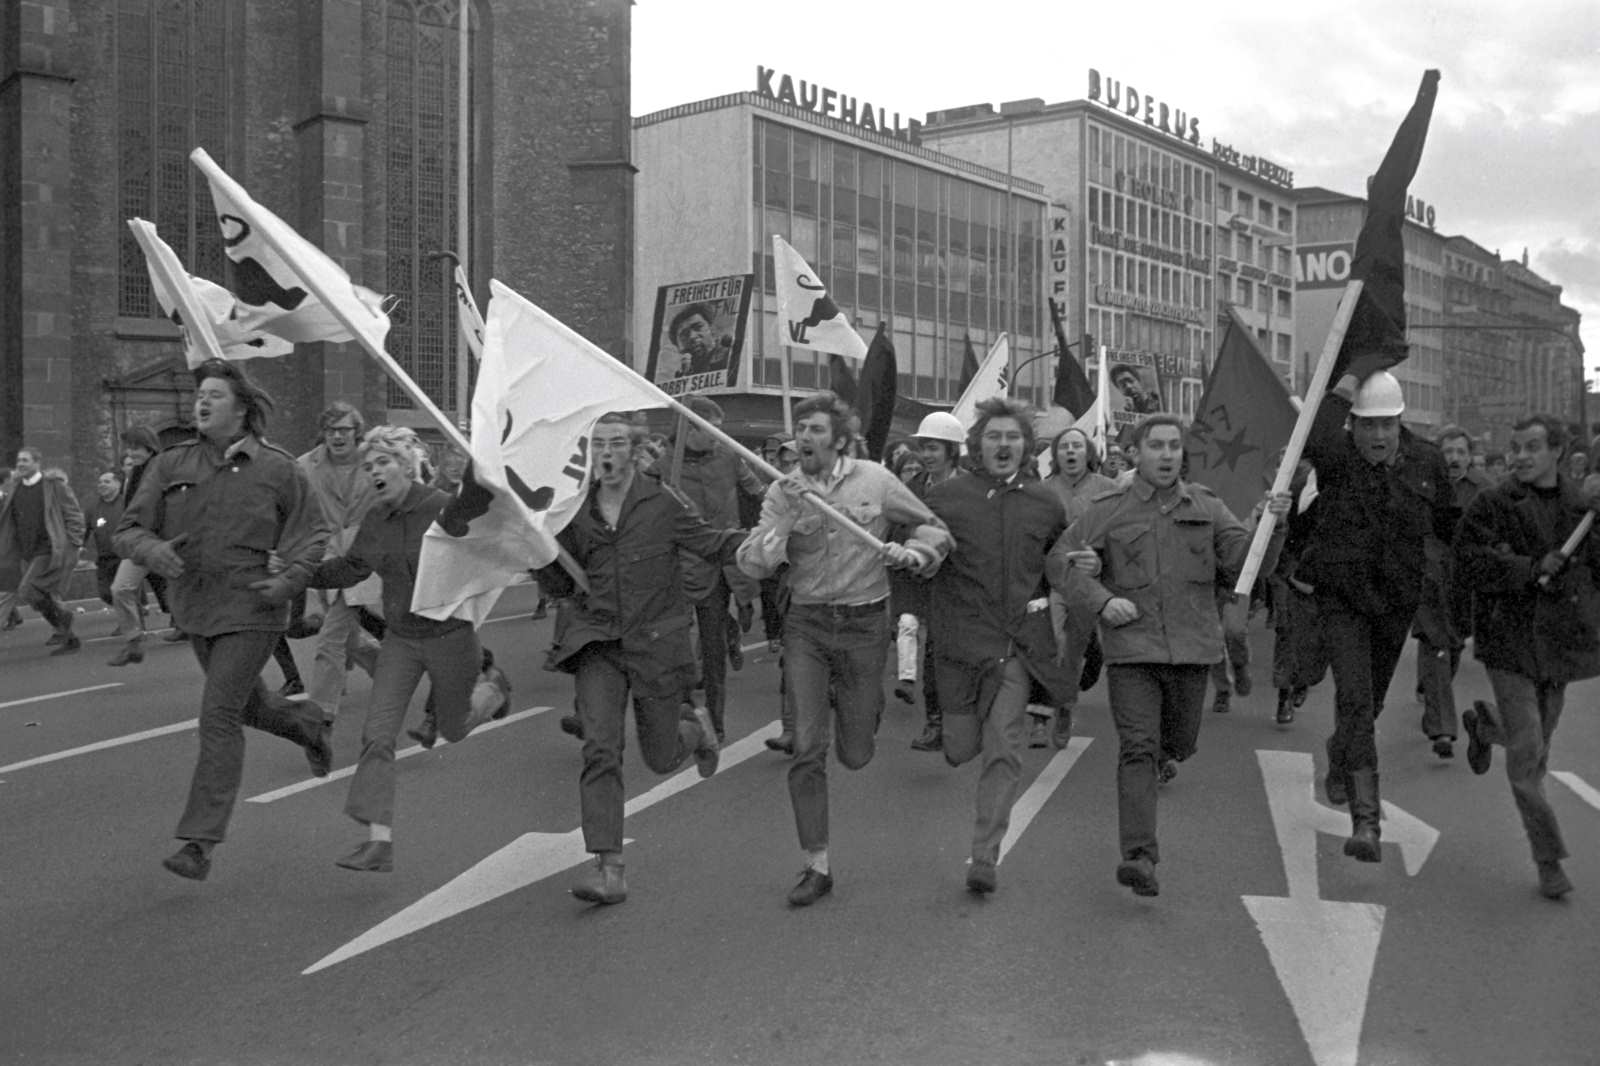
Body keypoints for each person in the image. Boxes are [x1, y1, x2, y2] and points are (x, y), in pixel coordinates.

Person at [1050, 415, 1288, 898]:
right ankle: (1139, 856)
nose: (1165, 454)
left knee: (1177, 742)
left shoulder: (1207, 506)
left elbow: (1245, 563)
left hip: (1192, 649)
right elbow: (1061, 562)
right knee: (1137, 747)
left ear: (1183, 453)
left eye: (1174, 446)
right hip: (1132, 648)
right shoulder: (1108, 509)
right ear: (1136, 454)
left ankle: (1170, 754)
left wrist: (1271, 524)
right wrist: (1100, 600)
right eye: (1155, 446)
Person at [115, 360, 332, 881]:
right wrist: (153, 551)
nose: (202, 402)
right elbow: (128, 529)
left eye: (215, 395)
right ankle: (309, 726)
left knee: (218, 714)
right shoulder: (168, 465)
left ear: (241, 409)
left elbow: (313, 535)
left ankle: (199, 841)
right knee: (250, 706)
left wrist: (288, 582)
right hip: (197, 609)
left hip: (254, 609)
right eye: (200, 395)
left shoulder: (279, 469)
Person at [738, 391, 950, 907]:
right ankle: (817, 864)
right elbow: (751, 563)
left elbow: (934, 528)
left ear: (838, 439)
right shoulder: (783, 492)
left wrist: (915, 550)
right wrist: (786, 517)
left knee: (855, 752)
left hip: (863, 625)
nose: (802, 437)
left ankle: (863, 717)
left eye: (814, 429)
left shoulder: (875, 481)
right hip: (807, 624)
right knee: (807, 747)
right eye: (799, 429)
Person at [536, 412, 735, 905]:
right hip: (598, 641)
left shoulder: (660, 500)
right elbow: (561, 582)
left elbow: (710, 544)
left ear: (634, 449)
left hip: (654, 642)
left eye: (617, 443)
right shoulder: (573, 508)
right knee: (600, 747)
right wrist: (537, 554)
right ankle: (609, 868)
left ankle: (695, 731)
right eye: (598, 443)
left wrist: (770, 540)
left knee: (662, 755)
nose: (606, 452)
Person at [302, 425, 484, 873]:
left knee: (455, 729)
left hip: (450, 636)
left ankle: (492, 691)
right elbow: (350, 568)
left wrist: (486, 461)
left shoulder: (442, 508)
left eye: (382, 462)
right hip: (402, 638)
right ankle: (378, 841)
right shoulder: (376, 520)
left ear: (406, 463)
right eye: (368, 467)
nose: (374, 472)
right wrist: (299, 571)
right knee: (377, 735)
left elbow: (484, 525)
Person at [1297, 368, 1455, 863]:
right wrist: (1348, 377)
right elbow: (1316, 428)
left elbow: (1451, 526)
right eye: (1368, 425)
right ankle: (1366, 822)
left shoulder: (1427, 461)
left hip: (1395, 601)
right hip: (1341, 598)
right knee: (1357, 700)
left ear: (1401, 422)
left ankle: (1341, 755)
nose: (1378, 435)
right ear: (1353, 426)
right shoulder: (1337, 457)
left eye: (1387, 424)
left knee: (1370, 705)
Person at [924, 398, 1073, 894]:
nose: (1003, 445)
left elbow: (1060, 563)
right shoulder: (946, 498)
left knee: (1004, 749)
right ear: (976, 445)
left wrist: (1084, 569)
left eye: (1012, 437)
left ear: (1028, 447)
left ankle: (984, 856)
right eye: (993, 436)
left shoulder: (1046, 503)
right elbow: (919, 547)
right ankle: (954, 733)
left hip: (1014, 645)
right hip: (959, 645)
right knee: (960, 748)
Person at [1454, 415, 1598, 900]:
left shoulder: (1583, 507)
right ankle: (1549, 860)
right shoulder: (1493, 504)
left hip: (1557, 646)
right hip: (1509, 641)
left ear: (1557, 451)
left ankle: (1487, 726)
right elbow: (1469, 559)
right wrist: (1530, 567)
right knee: (1529, 759)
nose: (1519, 456)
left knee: (1534, 742)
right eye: (1515, 447)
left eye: (1532, 447)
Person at [656, 394, 765, 740]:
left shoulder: (731, 457)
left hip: (720, 566)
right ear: (689, 428)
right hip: (676, 569)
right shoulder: (661, 465)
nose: (718, 436)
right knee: (676, 652)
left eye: (720, 430)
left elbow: (758, 495)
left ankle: (715, 724)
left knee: (713, 652)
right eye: (710, 429)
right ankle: (685, 713)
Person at [299, 402, 382, 729]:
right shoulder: (305, 465)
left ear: (355, 432)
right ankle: (385, 667)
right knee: (348, 636)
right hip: (327, 559)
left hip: (364, 558)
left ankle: (319, 713)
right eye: (331, 430)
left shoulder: (374, 461)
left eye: (344, 430)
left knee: (332, 634)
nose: (337, 436)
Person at [1412, 425, 1490, 757]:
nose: (1454, 458)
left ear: (1470, 457)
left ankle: (1429, 685)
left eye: (1460, 452)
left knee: (1453, 643)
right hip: (1429, 576)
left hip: (1466, 584)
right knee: (1436, 641)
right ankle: (1442, 729)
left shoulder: (1484, 491)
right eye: (1448, 451)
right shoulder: (1423, 486)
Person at [1037, 426, 1117, 748]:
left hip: (1090, 580)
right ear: (1055, 455)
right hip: (1055, 578)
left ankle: (1065, 707)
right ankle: (1061, 704)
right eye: (1064, 447)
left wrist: (1102, 561)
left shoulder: (1108, 489)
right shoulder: (1043, 490)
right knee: (1055, 641)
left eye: (1077, 446)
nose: (1070, 452)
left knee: (1073, 648)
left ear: (1088, 453)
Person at [905, 410, 966, 752]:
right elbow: (897, 523)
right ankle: (935, 722)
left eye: (934, 448)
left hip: (966, 582)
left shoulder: (970, 487)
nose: (927, 455)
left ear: (951, 450)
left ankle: (967, 718)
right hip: (927, 583)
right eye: (923, 448)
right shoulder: (912, 488)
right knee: (933, 653)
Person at [0, 447, 85, 655]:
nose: (20, 464)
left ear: (37, 462)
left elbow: (74, 515)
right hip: (24, 551)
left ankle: (64, 619)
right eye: (19, 460)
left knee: (27, 590)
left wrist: (73, 543)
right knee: (43, 593)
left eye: (25, 460)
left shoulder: (53, 486)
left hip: (48, 549)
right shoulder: (15, 487)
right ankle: (68, 635)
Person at [107, 425, 178, 664]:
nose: (130, 453)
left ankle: (190, 626)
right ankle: (134, 642)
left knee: (183, 588)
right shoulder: (136, 472)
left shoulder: (163, 468)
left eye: (135, 448)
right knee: (121, 588)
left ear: (149, 446)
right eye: (128, 448)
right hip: (140, 540)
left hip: (163, 540)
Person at [83, 469, 126, 611]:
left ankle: (131, 623)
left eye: (107, 481)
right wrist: (80, 546)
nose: (102, 484)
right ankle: (133, 609)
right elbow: (85, 529)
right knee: (105, 593)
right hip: (104, 558)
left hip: (125, 556)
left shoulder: (127, 503)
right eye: (100, 482)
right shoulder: (92, 507)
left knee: (121, 592)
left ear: (118, 485)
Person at [668, 303, 732, 378]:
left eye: (698, 327)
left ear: (712, 330)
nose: (692, 336)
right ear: (678, 347)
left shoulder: (730, 357)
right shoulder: (681, 374)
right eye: (684, 334)